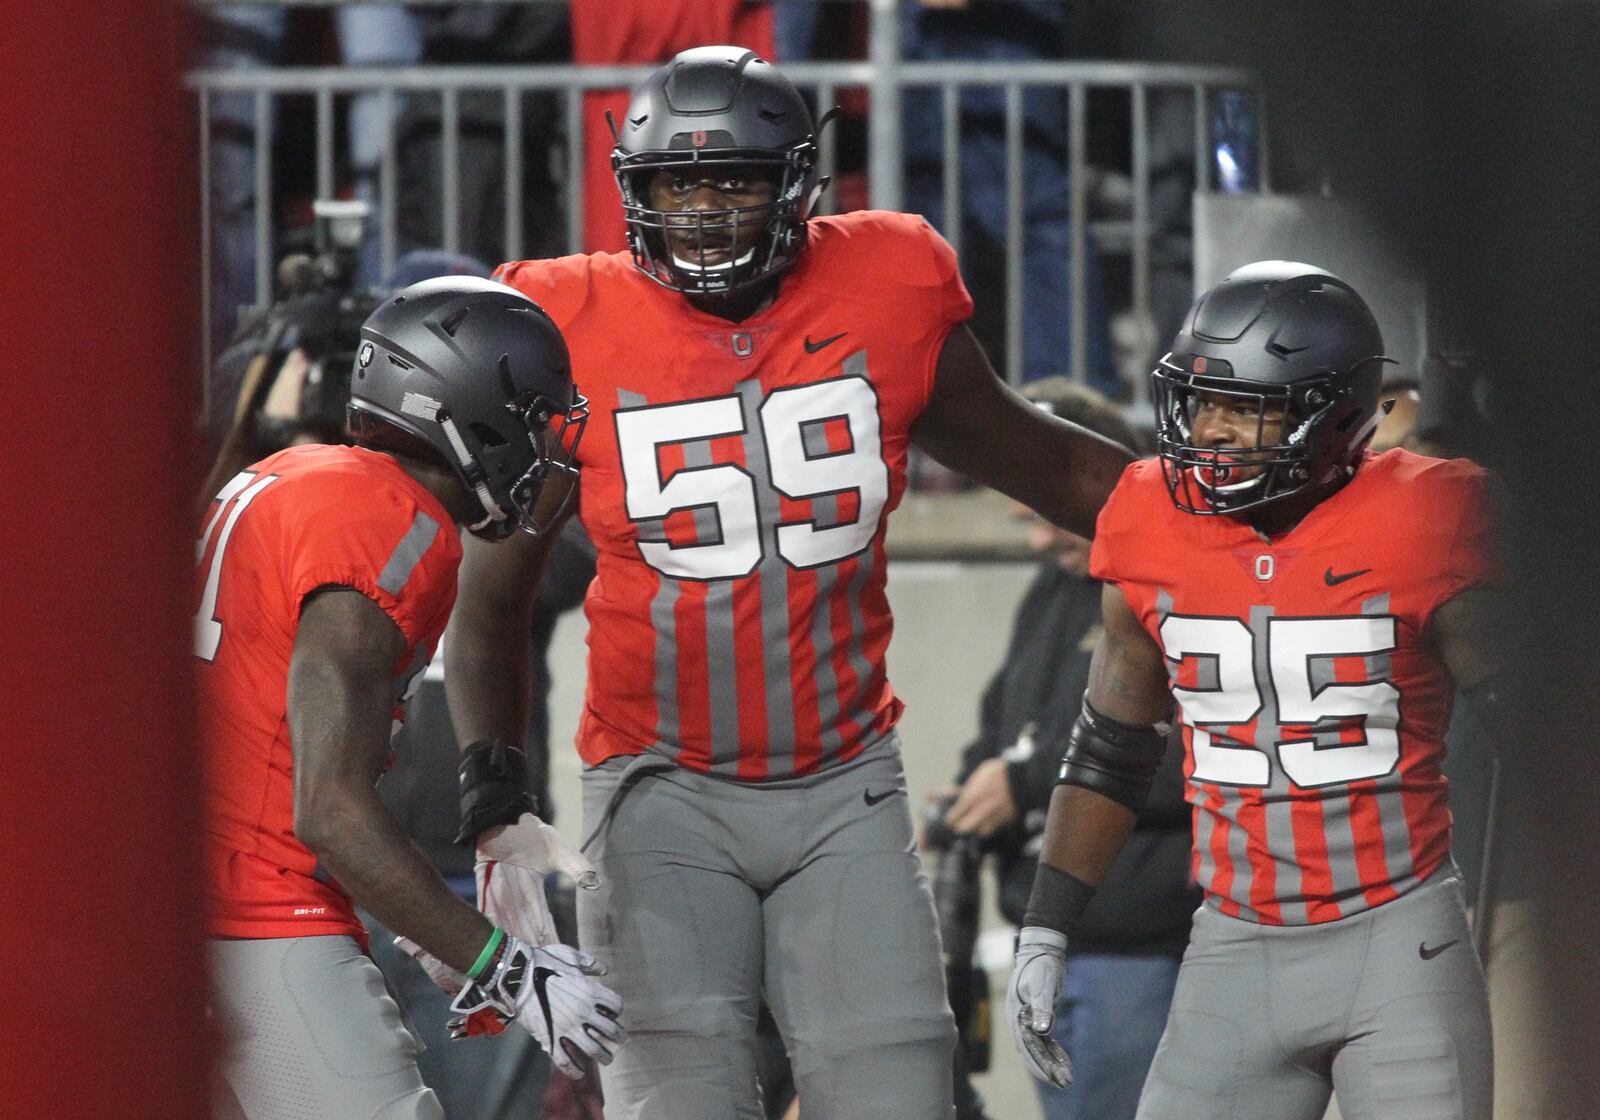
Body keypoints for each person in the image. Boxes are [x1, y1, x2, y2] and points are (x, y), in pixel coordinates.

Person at [445, 45, 1133, 1120]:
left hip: (843, 787)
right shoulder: (563, 324)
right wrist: (495, 803)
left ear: (798, 186)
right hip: (657, 791)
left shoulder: (889, 281)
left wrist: (1215, 519)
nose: (708, 211)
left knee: (900, 1093)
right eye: (678, 184)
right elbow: (492, 596)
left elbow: (1048, 463)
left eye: (736, 181)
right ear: (636, 190)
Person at [1007, 262, 1508, 1120]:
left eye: (1247, 407)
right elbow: (1115, 742)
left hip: (1399, 941)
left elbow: (1542, 734)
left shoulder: (1431, 517)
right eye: (1202, 401)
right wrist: (1050, 922)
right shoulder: (1149, 519)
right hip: (1233, 944)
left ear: (1338, 415)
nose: (1214, 430)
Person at [200, 277, 623, 1119]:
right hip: (254, 912)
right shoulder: (388, 517)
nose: (544, 444)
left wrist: (418, 913)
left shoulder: (293, 474)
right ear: (467, 413)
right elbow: (327, 807)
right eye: (532, 418)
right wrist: (500, 963)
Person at [932, 380, 1196, 1120]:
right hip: (1052, 941)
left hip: (1136, 941)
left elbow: (1188, 753)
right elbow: (1002, 718)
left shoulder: (1170, 585)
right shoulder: (1052, 588)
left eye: (1044, 516)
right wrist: (968, 793)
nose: (1040, 538)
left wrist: (1021, 782)